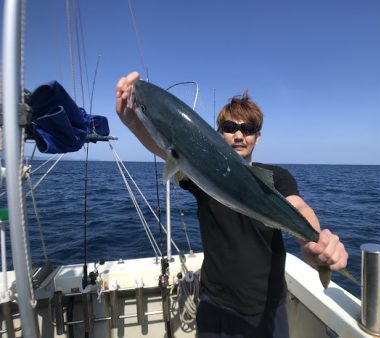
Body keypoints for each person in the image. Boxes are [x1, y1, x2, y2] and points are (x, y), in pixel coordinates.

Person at [116, 72, 349, 338]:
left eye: (248, 129)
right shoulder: (201, 173)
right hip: (215, 305)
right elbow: (166, 147)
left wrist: (313, 242)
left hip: (269, 307)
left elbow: (298, 207)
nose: (239, 135)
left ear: (257, 137)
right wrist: (133, 121)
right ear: (218, 134)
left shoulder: (276, 177)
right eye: (229, 127)